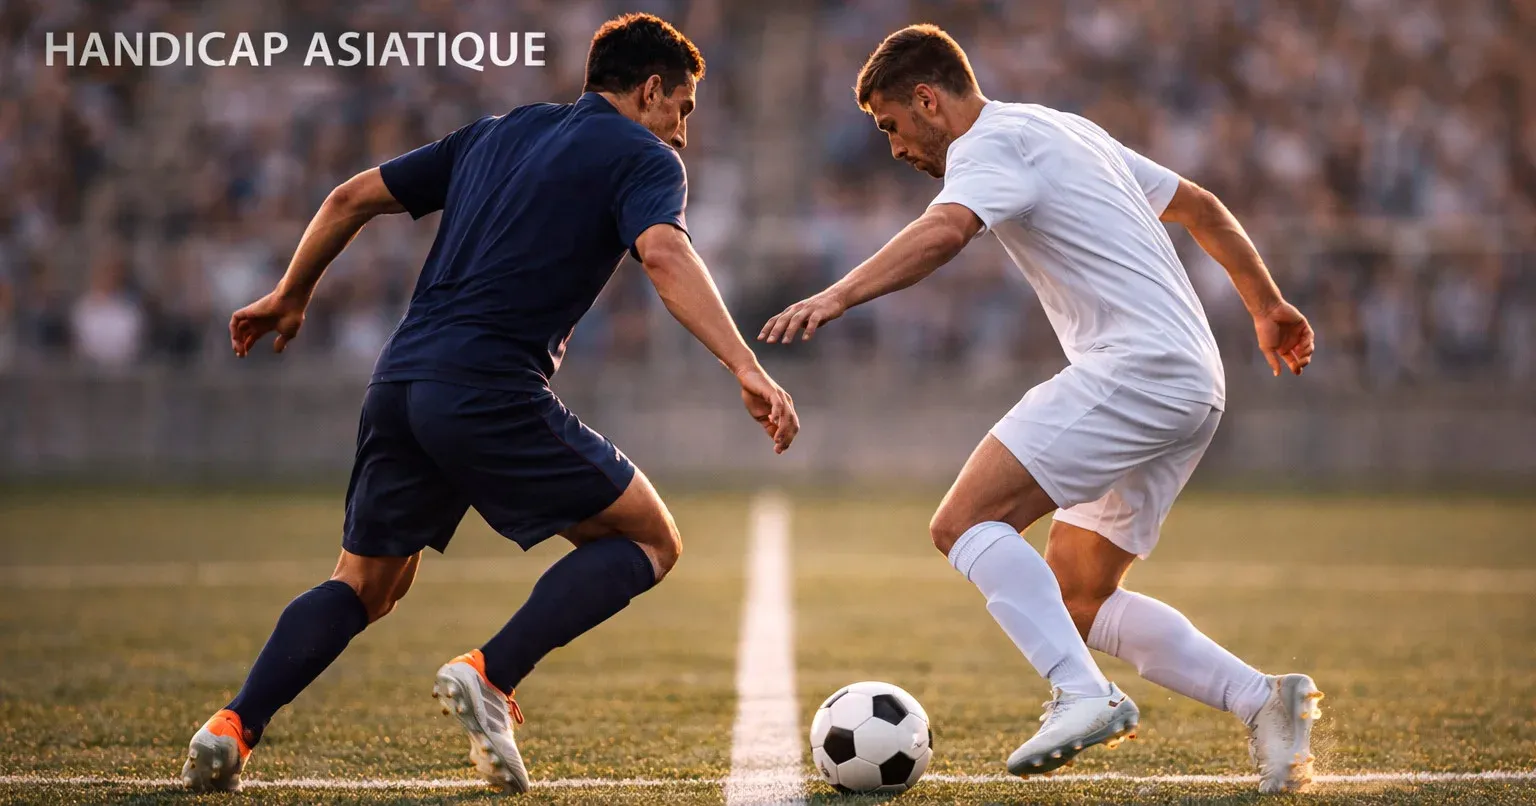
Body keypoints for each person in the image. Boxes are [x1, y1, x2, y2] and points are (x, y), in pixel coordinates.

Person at [184, 13, 798, 794]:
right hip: (488, 386)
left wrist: (288, 294)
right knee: (651, 540)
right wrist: (745, 365)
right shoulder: (643, 154)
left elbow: (346, 197)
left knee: (366, 585)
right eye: (683, 108)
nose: (682, 131)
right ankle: (493, 674)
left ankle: (234, 725)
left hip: (399, 381)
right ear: (651, 92)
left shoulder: (494, 133)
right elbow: (664, 251)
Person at [761, 25, 1320, 793]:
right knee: (1078, 597)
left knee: (961, 524)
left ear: (929, 99)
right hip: (1195, 382)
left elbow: (944, 232)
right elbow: (1202, 206)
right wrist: (1267, 305)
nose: (893, 147)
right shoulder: (1064, 128)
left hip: (1136, 370)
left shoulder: (987, 146)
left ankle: (1084, 694)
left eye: (891, 124)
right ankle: (1265, 701)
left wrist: (836, 294)